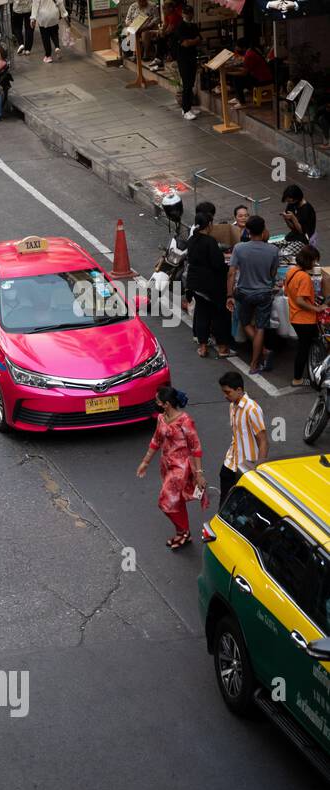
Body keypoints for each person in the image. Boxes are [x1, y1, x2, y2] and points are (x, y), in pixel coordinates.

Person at [137, 386, 206, 549]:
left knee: (165, 502)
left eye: (158, 401)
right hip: (166, 465)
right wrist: (145, 461)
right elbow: (156, 439)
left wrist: (199, 473)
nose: (156, 403)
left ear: (166, 404)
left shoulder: (185, 421)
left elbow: (196, 447)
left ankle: (184, 531)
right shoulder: (161, 418)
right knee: (177, 501)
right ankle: (182, 533)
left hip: (180, 468)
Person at [227, 214, 279, 373]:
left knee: (245, 322)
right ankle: (255, 363)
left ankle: (262, 353)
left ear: (248, 231)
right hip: (264, 294)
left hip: (243, 292)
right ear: (263, 231)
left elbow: (231, 273)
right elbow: (272, 274)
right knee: (261, 327)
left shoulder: (239, 248)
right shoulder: (273, 250)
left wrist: (229, 295)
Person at [186, 208, 231, 358]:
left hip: (196, 285)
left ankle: (203, 347)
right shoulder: (210, 242)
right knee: (219, 315)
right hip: (211, 286)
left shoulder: (192, 240)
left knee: (202, 314)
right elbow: (218, 264)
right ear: (209, 224)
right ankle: (222, 347)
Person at [218, 370, 268, 501]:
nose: (225, 396)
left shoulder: (252, 409)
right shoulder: (232, 406)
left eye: (227, 392)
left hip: (247, 466)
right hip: (231, 462)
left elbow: (263, 441)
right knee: (225, 500)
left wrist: (258, 469)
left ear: (239, 390)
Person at [286, 245, 326, 386]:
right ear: (308, 260)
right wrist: (317, 308)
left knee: (304, 347)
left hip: (295, 316)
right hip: (304, 319)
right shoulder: (304, 277)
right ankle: (298, 379)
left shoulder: (291, 271)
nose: (315, 264)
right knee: (305, 348)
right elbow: (300, 301)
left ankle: (305, 374)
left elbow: (291, 294)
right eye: (314, 261)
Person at [173, 4, 201, 119]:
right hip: (183, 58)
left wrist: (192, 41)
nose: (188, 15)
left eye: (190, 13)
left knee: (192, 82)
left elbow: (200, 39)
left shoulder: (194, 26)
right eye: (186, 13)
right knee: (187, 84)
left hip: (192, 57)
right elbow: (185, 43)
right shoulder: (180, 27)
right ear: (183, 14)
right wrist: (193, 41)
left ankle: (188, 106)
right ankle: (186, 110)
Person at [230, 38, 272, 107]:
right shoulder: (251, 51)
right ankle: (238, 97)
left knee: (237, 79)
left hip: (262, 79)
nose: (236, 48)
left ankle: (242, 102)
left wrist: (228, 72)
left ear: (243, 48)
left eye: (237, 47)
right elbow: (246, 68)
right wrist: (234, 69)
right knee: (236, 76)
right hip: (259, 76)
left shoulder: (249, 55)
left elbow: (244, 73)